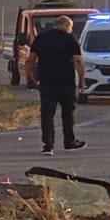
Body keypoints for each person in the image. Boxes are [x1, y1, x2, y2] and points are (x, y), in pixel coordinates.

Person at [27, 16, 86, 155]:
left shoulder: (41, 38)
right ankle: (69, 142)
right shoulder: (70, 39)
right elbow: (77, 61)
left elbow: (30, 59)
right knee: (68, 113)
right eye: (70, 27)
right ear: (65, 25)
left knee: (47, 114)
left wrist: (29, 77)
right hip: (66, 82)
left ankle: (48, 145)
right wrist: (82, 78)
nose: (71, 30)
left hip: (47, 81)